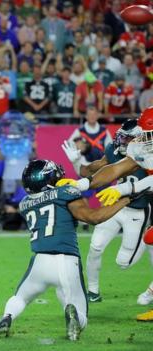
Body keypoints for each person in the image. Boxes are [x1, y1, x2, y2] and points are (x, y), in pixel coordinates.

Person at [0, 160, 141, 341]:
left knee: (20, 297)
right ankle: (73, 314)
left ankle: (7, 317)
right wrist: (127, 199)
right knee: (80, 312)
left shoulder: (25, 203)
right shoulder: (65, 193)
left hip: (39, 263)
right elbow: (93, 217)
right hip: (66, 261)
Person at [58, 108, 153, 320]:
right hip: (121, 204)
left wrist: (123, 190)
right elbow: (113, 170)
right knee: (102, 244)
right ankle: (93, 290)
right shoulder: (140, 147)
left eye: (149, 134)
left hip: (138, 207)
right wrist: (80, 184)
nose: (145, 140)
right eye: (143, 135)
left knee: (134, 253)